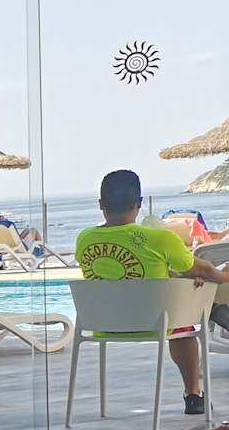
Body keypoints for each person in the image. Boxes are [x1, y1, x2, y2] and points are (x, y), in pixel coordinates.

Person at [75, 168, 229, 416]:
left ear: (101, 204)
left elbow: (123, 277)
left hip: (104, 324)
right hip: (155, 323)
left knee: (178, 301)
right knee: (184, 321)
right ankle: (193, 394)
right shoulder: (160, 239)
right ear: (139, 203)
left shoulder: (84, 239)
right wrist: (223, 275)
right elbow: (203, 271)